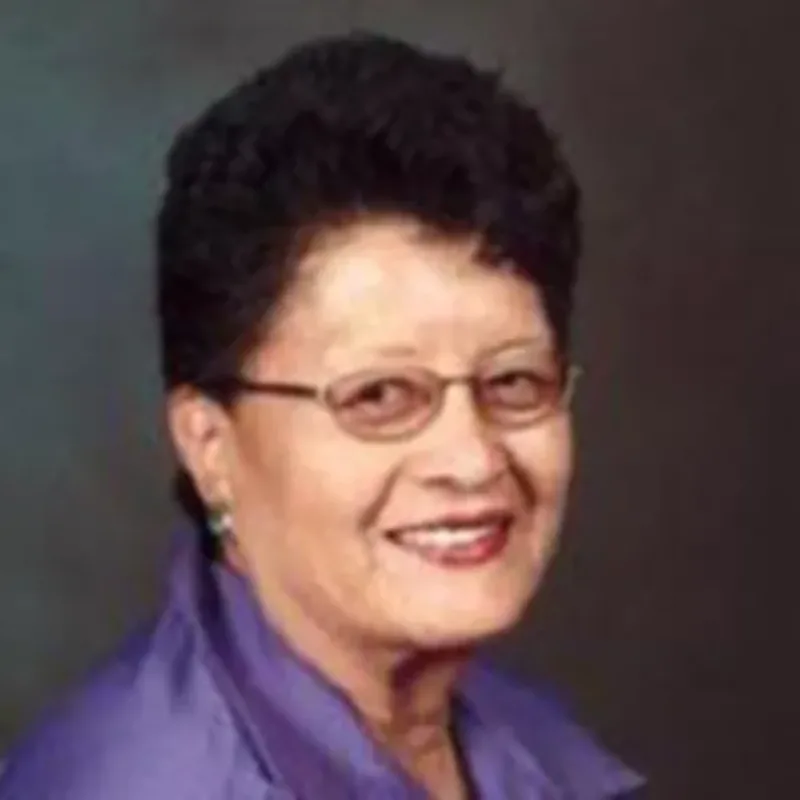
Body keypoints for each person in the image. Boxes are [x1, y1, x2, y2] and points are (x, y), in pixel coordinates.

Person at [0, 32, 645, 799]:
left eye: (512, 381)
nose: (472, 458)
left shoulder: (527, 739)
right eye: (378, 397)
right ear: (210, 445)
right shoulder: (138, 781)